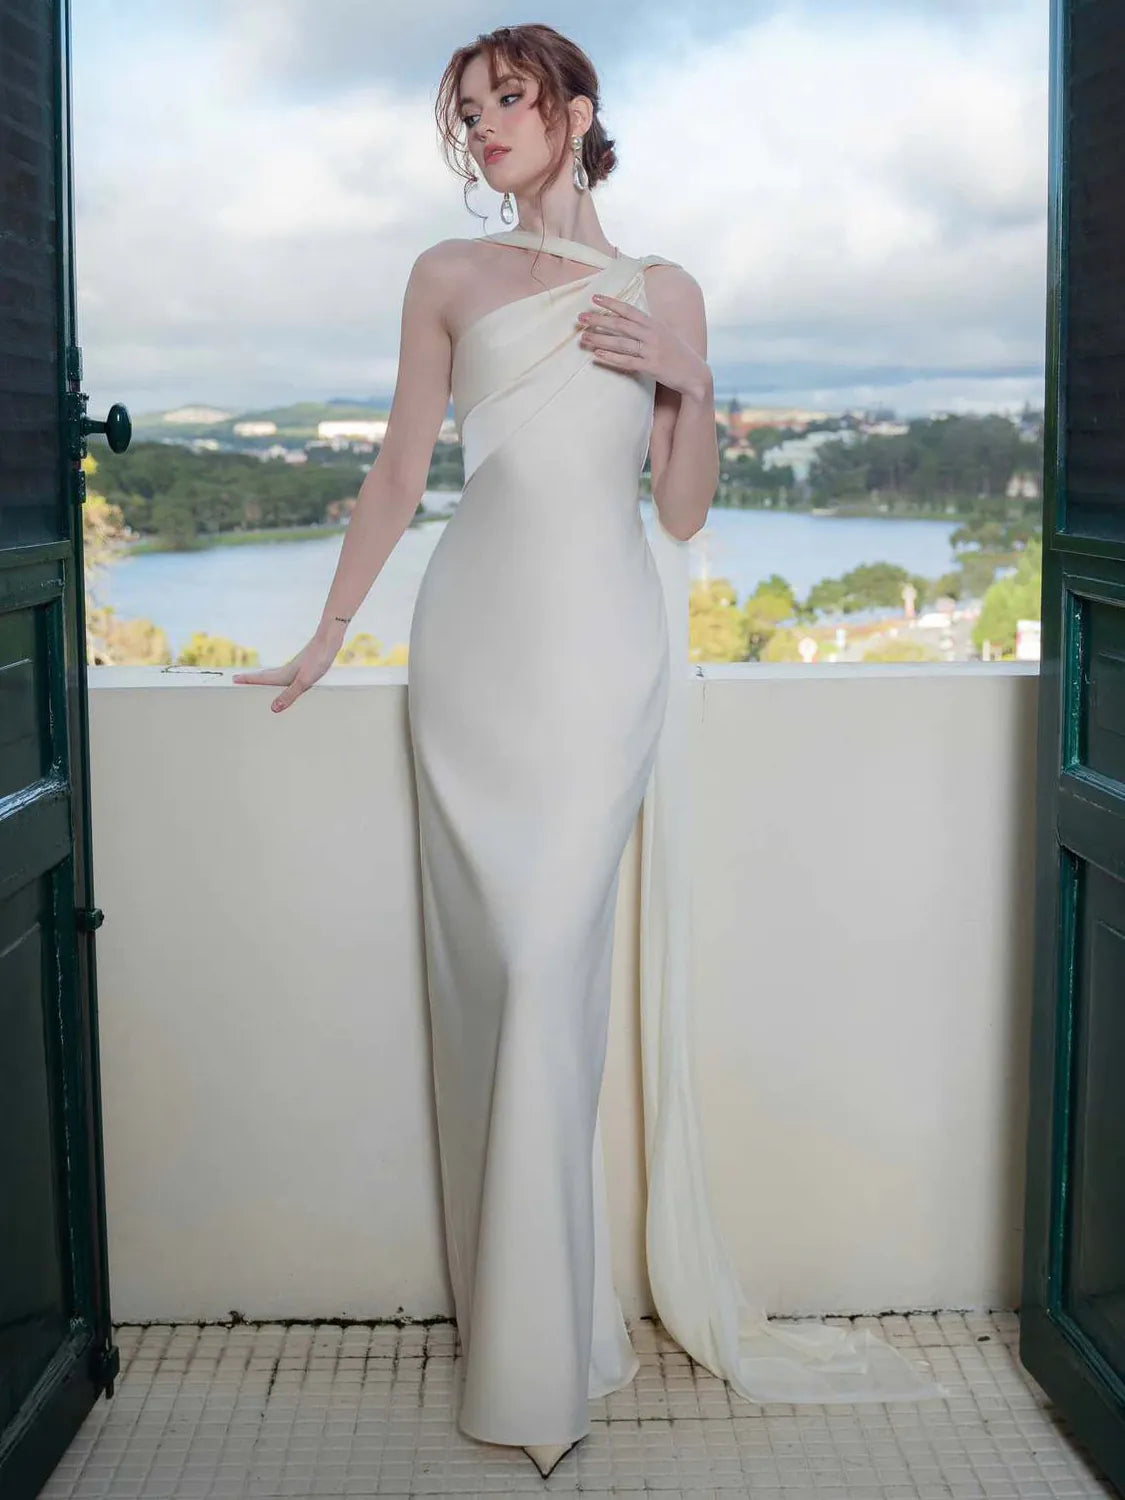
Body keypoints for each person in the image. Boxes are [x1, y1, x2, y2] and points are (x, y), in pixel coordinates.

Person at [235, 22, 947, 1483]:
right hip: (475, 649)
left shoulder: (663, 289)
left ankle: (542, 1371)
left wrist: (688, 375)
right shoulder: (447, 276)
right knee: (504, 985)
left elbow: (677, 515)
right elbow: (394, 469)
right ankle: (534, 1338)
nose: (484, 125)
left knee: (556, 964)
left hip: (602, 654)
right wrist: (326, 633)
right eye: (467, 109)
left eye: (508, 99)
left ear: (573, 111)